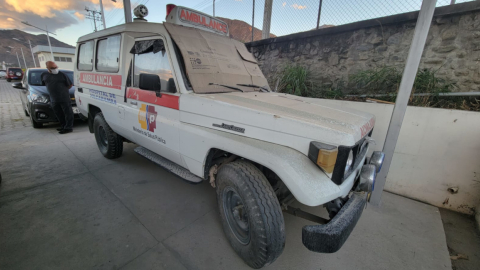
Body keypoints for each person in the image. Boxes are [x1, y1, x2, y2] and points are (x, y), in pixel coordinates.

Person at [41, 61, 74, 134]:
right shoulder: (44, 75)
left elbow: (70, 85)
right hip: (53, 98)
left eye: (56, 67)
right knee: (59, 113)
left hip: (64, 97)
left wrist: (62, 90)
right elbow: (44, 84)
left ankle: (68, 127)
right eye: (53, 68)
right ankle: (63, 126)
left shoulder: (62, 74)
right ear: (48, 68)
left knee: (68, 113)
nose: (55, 69)